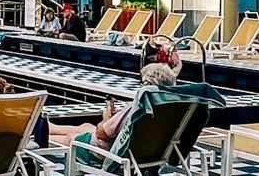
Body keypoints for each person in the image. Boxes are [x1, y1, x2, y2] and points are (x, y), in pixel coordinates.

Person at [47, 63, 176, 151]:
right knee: (85, 127)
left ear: (148, 84)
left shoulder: (137, 107)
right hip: (140, 150)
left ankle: (42, 138)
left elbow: (101, 133)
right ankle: (50, 128)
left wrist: (106, 118)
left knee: (71, 137)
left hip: (115, 151)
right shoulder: (168, 110)